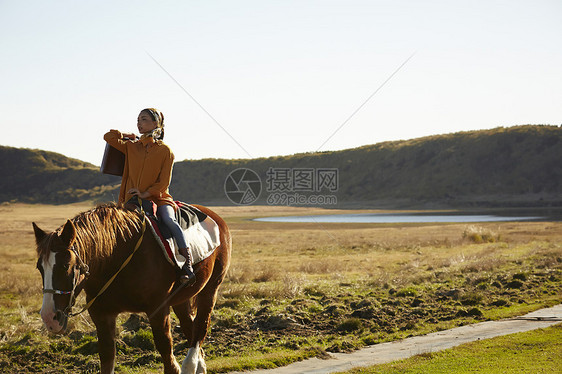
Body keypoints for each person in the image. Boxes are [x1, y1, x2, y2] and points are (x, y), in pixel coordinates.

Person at [104, 108, 195, 285]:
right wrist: (127, 134)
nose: (139, 123)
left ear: (156, 124)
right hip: (131, 200)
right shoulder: (131, 146)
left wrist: (145, 193)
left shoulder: (165, 151)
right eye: (138, 120)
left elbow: (163, 183)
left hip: (159, 198)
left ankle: (187, 264)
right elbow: (108, 137)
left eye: (144, 119)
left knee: (169, 221)